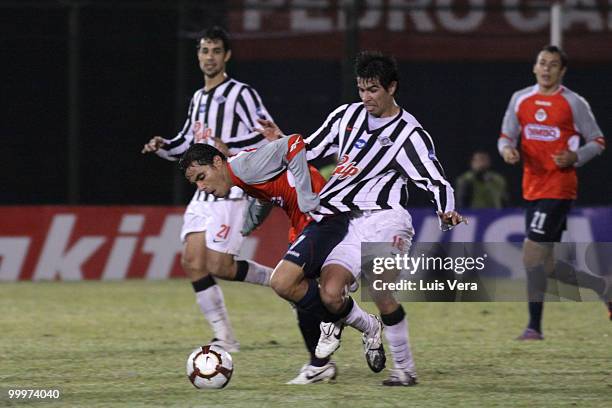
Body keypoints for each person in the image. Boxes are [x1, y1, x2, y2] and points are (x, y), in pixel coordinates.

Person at [259, 51, 466, 386]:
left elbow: (435, 180)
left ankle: (405, 370)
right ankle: (368, 328)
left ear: (392, 87)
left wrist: (446, 209)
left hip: (388, 219)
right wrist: (281, 141)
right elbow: (310, 148)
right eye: (361, 89)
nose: (366, 97)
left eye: (373, 90)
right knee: (329, 293)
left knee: (380, 289)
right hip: (347, 222)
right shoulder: (346, 116)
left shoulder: (408, 134)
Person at [141, 26, 276, 352]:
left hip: (231, 188)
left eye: (216, 51)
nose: (209, 57)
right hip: (203, 190)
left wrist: (229, 147)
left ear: (226, 55)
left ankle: (286, 281)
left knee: (220, 266)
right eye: (204, 51)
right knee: (192, 260)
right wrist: (163, 146)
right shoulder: (199, 100)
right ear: (198, 55)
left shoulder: (242, 94)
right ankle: (225, 338)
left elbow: (270, 138)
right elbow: (188, 143)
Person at [498, 45, 609, 340]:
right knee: (544, 264)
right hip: (531, 188)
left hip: (559, 187)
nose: (546, 69)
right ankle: (603, 288)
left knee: (530, 256)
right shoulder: (520, 99)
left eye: (553, 65)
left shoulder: (573, 103)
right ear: (535, 67)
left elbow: (597, 141)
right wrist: (507, 150)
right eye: (542, 63)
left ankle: (533, 328)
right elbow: (506, 136)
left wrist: (576, 157)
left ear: (562, 71)